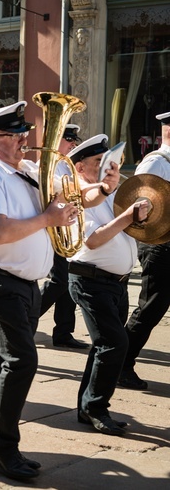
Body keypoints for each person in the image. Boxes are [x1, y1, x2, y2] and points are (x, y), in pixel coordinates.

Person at [0, 101, 76, 481]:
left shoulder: (27, 170)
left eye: (23, 135)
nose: (23, 142)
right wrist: (49, 218)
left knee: (8, 362)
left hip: (26, 283)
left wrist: (100, 189)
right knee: (21, 361)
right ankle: (4, 447)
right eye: (14, 137)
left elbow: (72, 198)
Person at [66, 134, 146, 436]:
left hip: (115, 282)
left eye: (106, 161)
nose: (105, 167)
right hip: (90, 279)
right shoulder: (77, 196)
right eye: (98, 162)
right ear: (80, 168)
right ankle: (97, 408)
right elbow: (93, 238)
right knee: (115, 343)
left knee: (105, 345)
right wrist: (128, 217)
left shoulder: (110, 193)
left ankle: (88, 406)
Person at [119, 111, 170, 391]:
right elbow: (138, 204)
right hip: (159, 245)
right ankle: (121, 364)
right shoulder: (156, 162)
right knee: (151, 307)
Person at [38, 124, 89, 349]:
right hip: (53, 230)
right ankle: (26, 320)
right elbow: (53, 199)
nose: (73, 143)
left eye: (73, 139)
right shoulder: (49, 166)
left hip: (69, 228)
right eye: (68, 139)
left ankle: (63, 332)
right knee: (58, 281)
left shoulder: (68, 165)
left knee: (67, 281)